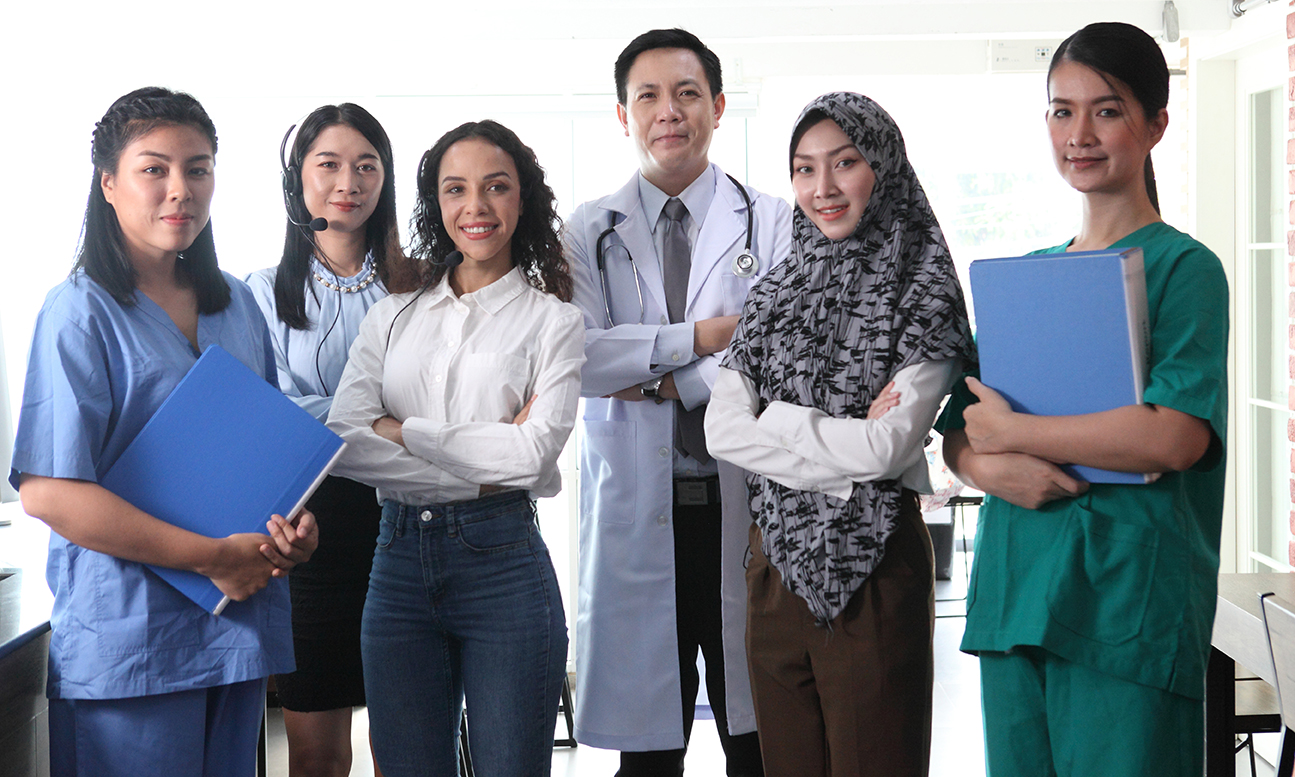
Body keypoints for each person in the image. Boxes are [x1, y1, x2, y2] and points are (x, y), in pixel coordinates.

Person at [937, 22, 1229, 777]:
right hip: (1017, 593)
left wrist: (1019, 433)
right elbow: (961, 429)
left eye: (1106, 109)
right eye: (1061, 111)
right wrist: (988, 463)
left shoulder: (1183, 270)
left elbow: (1173, 438)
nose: (1079, 133)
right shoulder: (1022, 278)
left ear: (1157, 123)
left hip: (1125, 607)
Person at [8, 86, 318, 777]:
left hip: (234, 629)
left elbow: (266, 457)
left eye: (199, 168)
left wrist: (289, 531)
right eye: (155, 169)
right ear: (109, 183)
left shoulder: (237, 303)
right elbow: (50, 493)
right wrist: (211, 556)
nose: (180, 189)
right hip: (130, 645)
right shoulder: (77, 313)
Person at [705, 92, 976, 777]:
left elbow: (890, 448)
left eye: (844, 163)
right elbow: (721, 430)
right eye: (803, 169)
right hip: (771, 571)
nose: (821, 188)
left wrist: (777, 420)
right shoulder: (772, 295)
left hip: (874, 568)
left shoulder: (923, 290)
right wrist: (841, 438)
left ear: (882, 168)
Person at [564, 26, 790, 777]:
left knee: (755, 745)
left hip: (742, 512)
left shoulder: (775, 222)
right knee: (647, 761)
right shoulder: (583, 231)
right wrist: (703, 337)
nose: (669, 111)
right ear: (622, 115)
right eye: (648, 96)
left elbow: (774, 362)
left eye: (687, 93)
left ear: (718, 107)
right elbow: (582, 357)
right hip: (638, 508)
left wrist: (661, 372)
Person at [325, 119, 583, 777]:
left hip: (504, 565)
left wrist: (401, 428)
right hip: (397, 564)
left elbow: (530, 458)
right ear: (436, 204)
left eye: (496, 187)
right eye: (456, 189)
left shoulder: (554, 321)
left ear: (521, 199)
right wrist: (488, 457)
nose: (476, 206)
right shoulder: (393, 313)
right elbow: (344, 439)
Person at [246, 103, 408, 777]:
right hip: (305, 529)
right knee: (315, 752)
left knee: (405, 744)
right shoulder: (256, 293)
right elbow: (263, 413)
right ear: (297, 180)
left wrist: (317, 413)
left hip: (408, 525)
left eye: (366, 165)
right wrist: (378, 419)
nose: (350, 180)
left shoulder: (420, 287)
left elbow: (436, 406)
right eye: (329, 164)